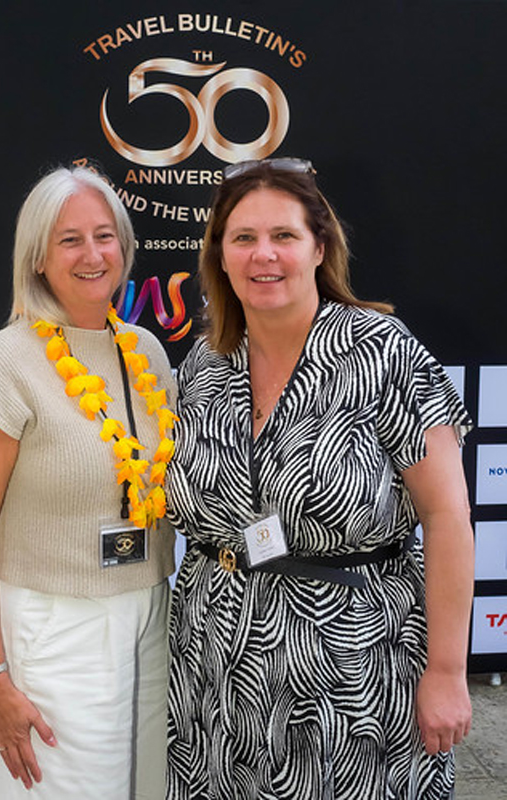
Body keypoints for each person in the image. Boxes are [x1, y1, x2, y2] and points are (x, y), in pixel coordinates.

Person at [165, 158, 474, 799]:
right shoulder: (205, 362)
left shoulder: (382, 352)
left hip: (353, 673)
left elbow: (446, 516)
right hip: (213, 665)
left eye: (284, 235)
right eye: (243, 238)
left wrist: (447, 670)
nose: (263, 255)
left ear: (319, 247)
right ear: (220, 256)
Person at [0, 165, 177, 799]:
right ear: (37, 258)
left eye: (104, 236)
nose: (92, 254)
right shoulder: (4, 362)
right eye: (69, 240)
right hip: (53, 629)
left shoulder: (148, 352)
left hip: (151, 615)